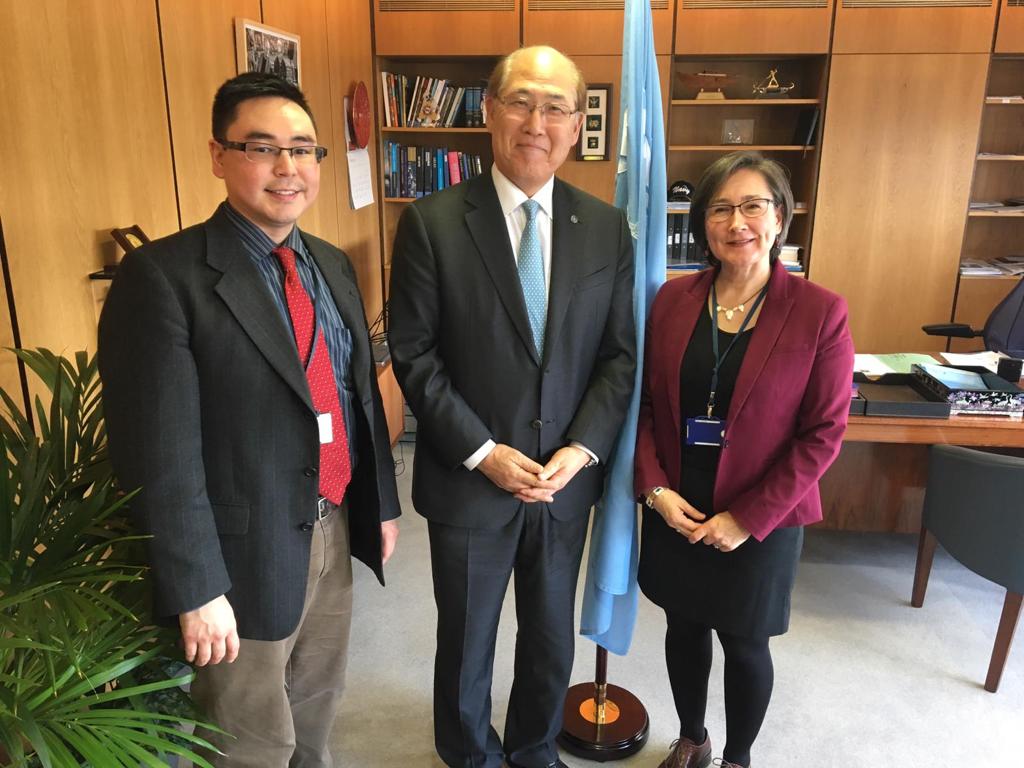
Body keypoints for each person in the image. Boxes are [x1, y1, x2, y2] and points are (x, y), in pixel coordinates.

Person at [98, 72, 400, 768]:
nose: (287, 168)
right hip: (239, 556)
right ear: (218, 155)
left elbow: (353, 395)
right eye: (263, 147)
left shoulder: (327, 262)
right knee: (251, 738)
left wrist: (376, 506)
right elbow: (158, 453)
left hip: (331, 524)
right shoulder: (163, 278)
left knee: (318, 705)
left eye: (303, 149)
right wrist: (196, 586)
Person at [388, 45, 636, 768]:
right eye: (522, 101)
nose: (538, 121)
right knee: (466, 638)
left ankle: (532, 750)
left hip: (564, 482)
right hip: (471, 480)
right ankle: (469, 755)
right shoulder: (431, 223)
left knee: (551, 638)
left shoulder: (605, 228)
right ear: (490, 111)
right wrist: (484, 453)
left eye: (557, 106)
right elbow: (415, 355)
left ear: (577, 120)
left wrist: (581, 448)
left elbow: (619, 357)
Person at [634, 151, 854, 768]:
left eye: (752, 206)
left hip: (763, 511)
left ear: (779, 217)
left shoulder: (819, 311)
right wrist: (654, 489)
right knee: (683, 629)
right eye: (721, 209)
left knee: (746, 641)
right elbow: (647, 408)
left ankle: (738, 756)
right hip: (678, 500)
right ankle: (693, 736)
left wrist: (746, 518)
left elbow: (823, 433)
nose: (737, 223)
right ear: (702, 222)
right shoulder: (672, 301)